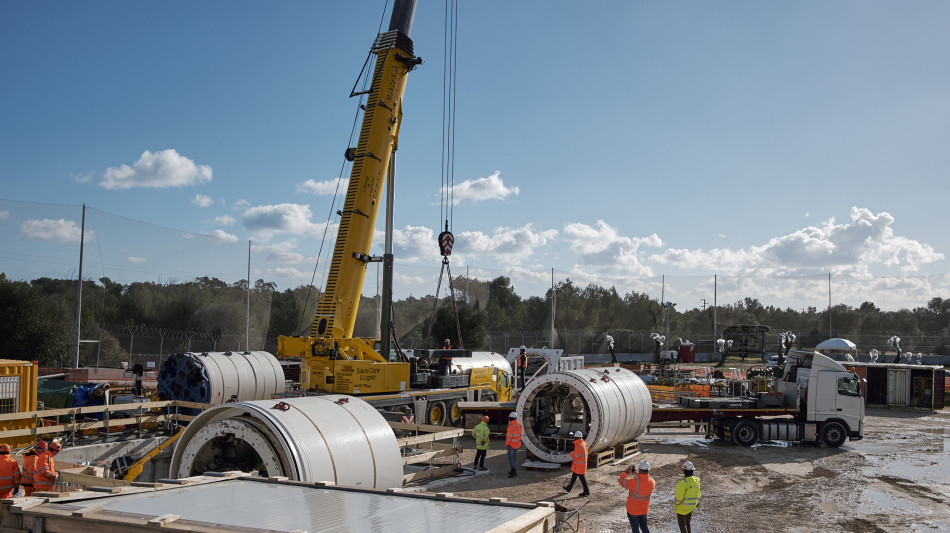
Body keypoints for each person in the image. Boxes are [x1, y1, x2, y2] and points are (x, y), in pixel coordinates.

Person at [619, 460, 656, 533]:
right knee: (644, 528)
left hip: (633, 511)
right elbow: (644, 478)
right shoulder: (652, 482)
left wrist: (627, 472)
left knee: (635, 529)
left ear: (640, 470)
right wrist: (635, 472)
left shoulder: (633, 482)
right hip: (643, 510)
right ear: (648, 470)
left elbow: (621, 481)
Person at [674, 461, 701, 533]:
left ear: (685, 471)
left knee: (682, 525)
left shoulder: (683, 482)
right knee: (687, 523)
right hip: (691, 507)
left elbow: (678, 497)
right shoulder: (697, 480)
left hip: (682, 508)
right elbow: (698, 494)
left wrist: (676, 505)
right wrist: (696, 503)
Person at [562, 431, 590, 497]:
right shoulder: (584, 443)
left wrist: (570, 453)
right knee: (574, 476)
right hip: (582, 464)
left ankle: (586, 491)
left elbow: (576, 456)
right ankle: (569, 488)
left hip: (579, 465)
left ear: (576, 438)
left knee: (582, 478)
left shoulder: (578, 445)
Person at [505, 412, 523, 478]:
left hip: (511, 445)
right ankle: (513, 470)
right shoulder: (519, 425)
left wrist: (506, 444)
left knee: (510, 458)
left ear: (511, 418)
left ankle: (513, 471)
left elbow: (508, 437)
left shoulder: (511, 427)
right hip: (517, 444)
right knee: (514, 457)